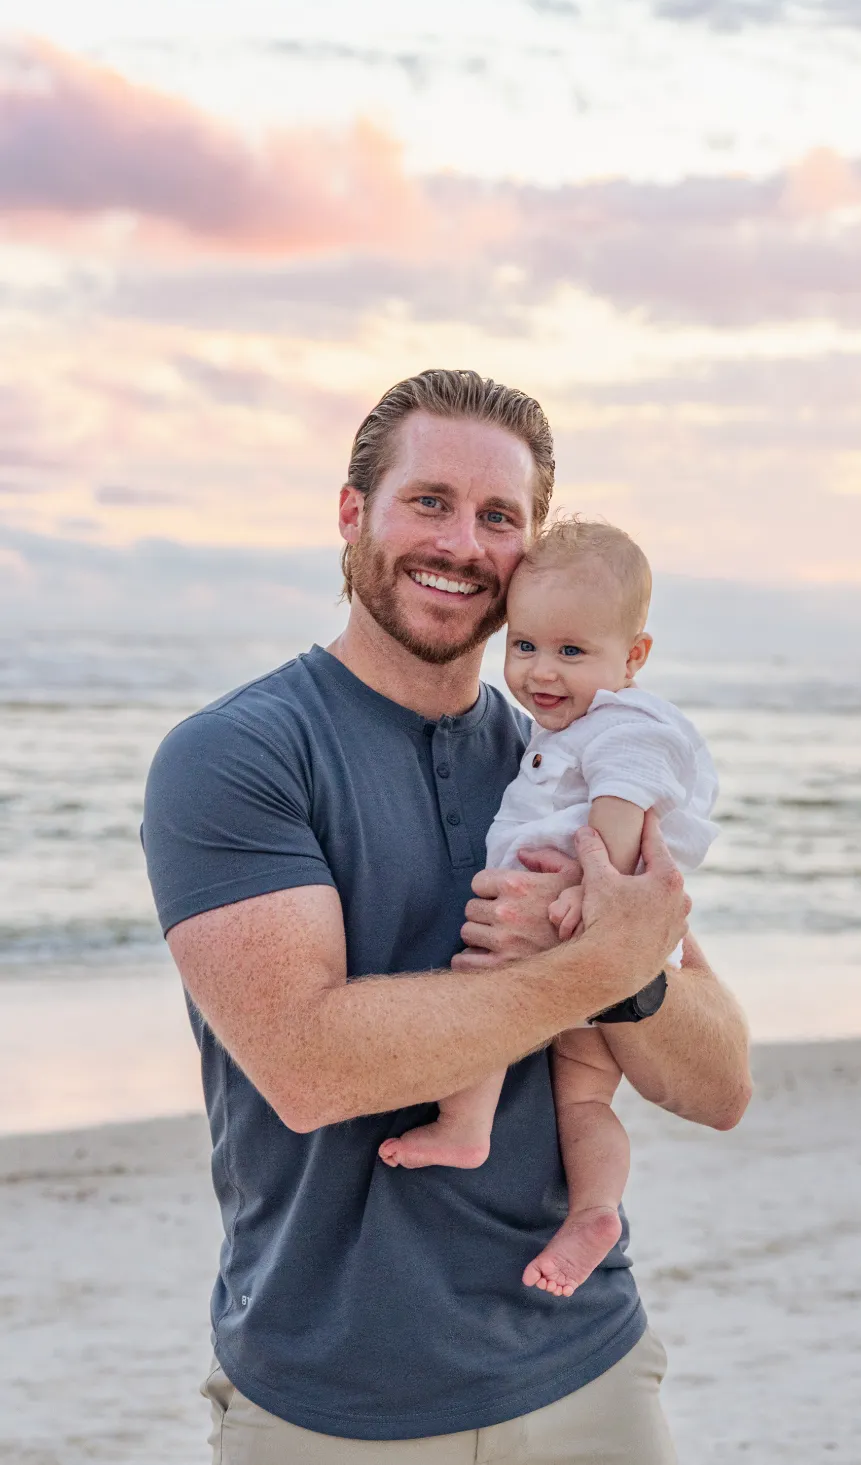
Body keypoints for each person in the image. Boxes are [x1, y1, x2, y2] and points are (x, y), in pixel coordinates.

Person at [142, 369, 752, 1463]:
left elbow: (716, 1085)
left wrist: (638, 977)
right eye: (429, 501)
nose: (462, 542)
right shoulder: (238, 756)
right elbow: (309, 1065)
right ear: (352, 513)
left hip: (588, 1368)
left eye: (499, 517)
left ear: (532, 551)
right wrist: (589, 967)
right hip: (331, 1404)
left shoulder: (562, 766)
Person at [379, 517, 720, 1305]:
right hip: (600, 949)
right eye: (525, 645)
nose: (542, 671)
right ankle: (595, 1210)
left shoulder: (627, 725)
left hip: (567, 927)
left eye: (573, 652)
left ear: (634, 657)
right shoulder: (569, 725)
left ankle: (466, 1125)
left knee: (480, 979)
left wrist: (580, 896)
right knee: (583, 1095)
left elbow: (623, 805)